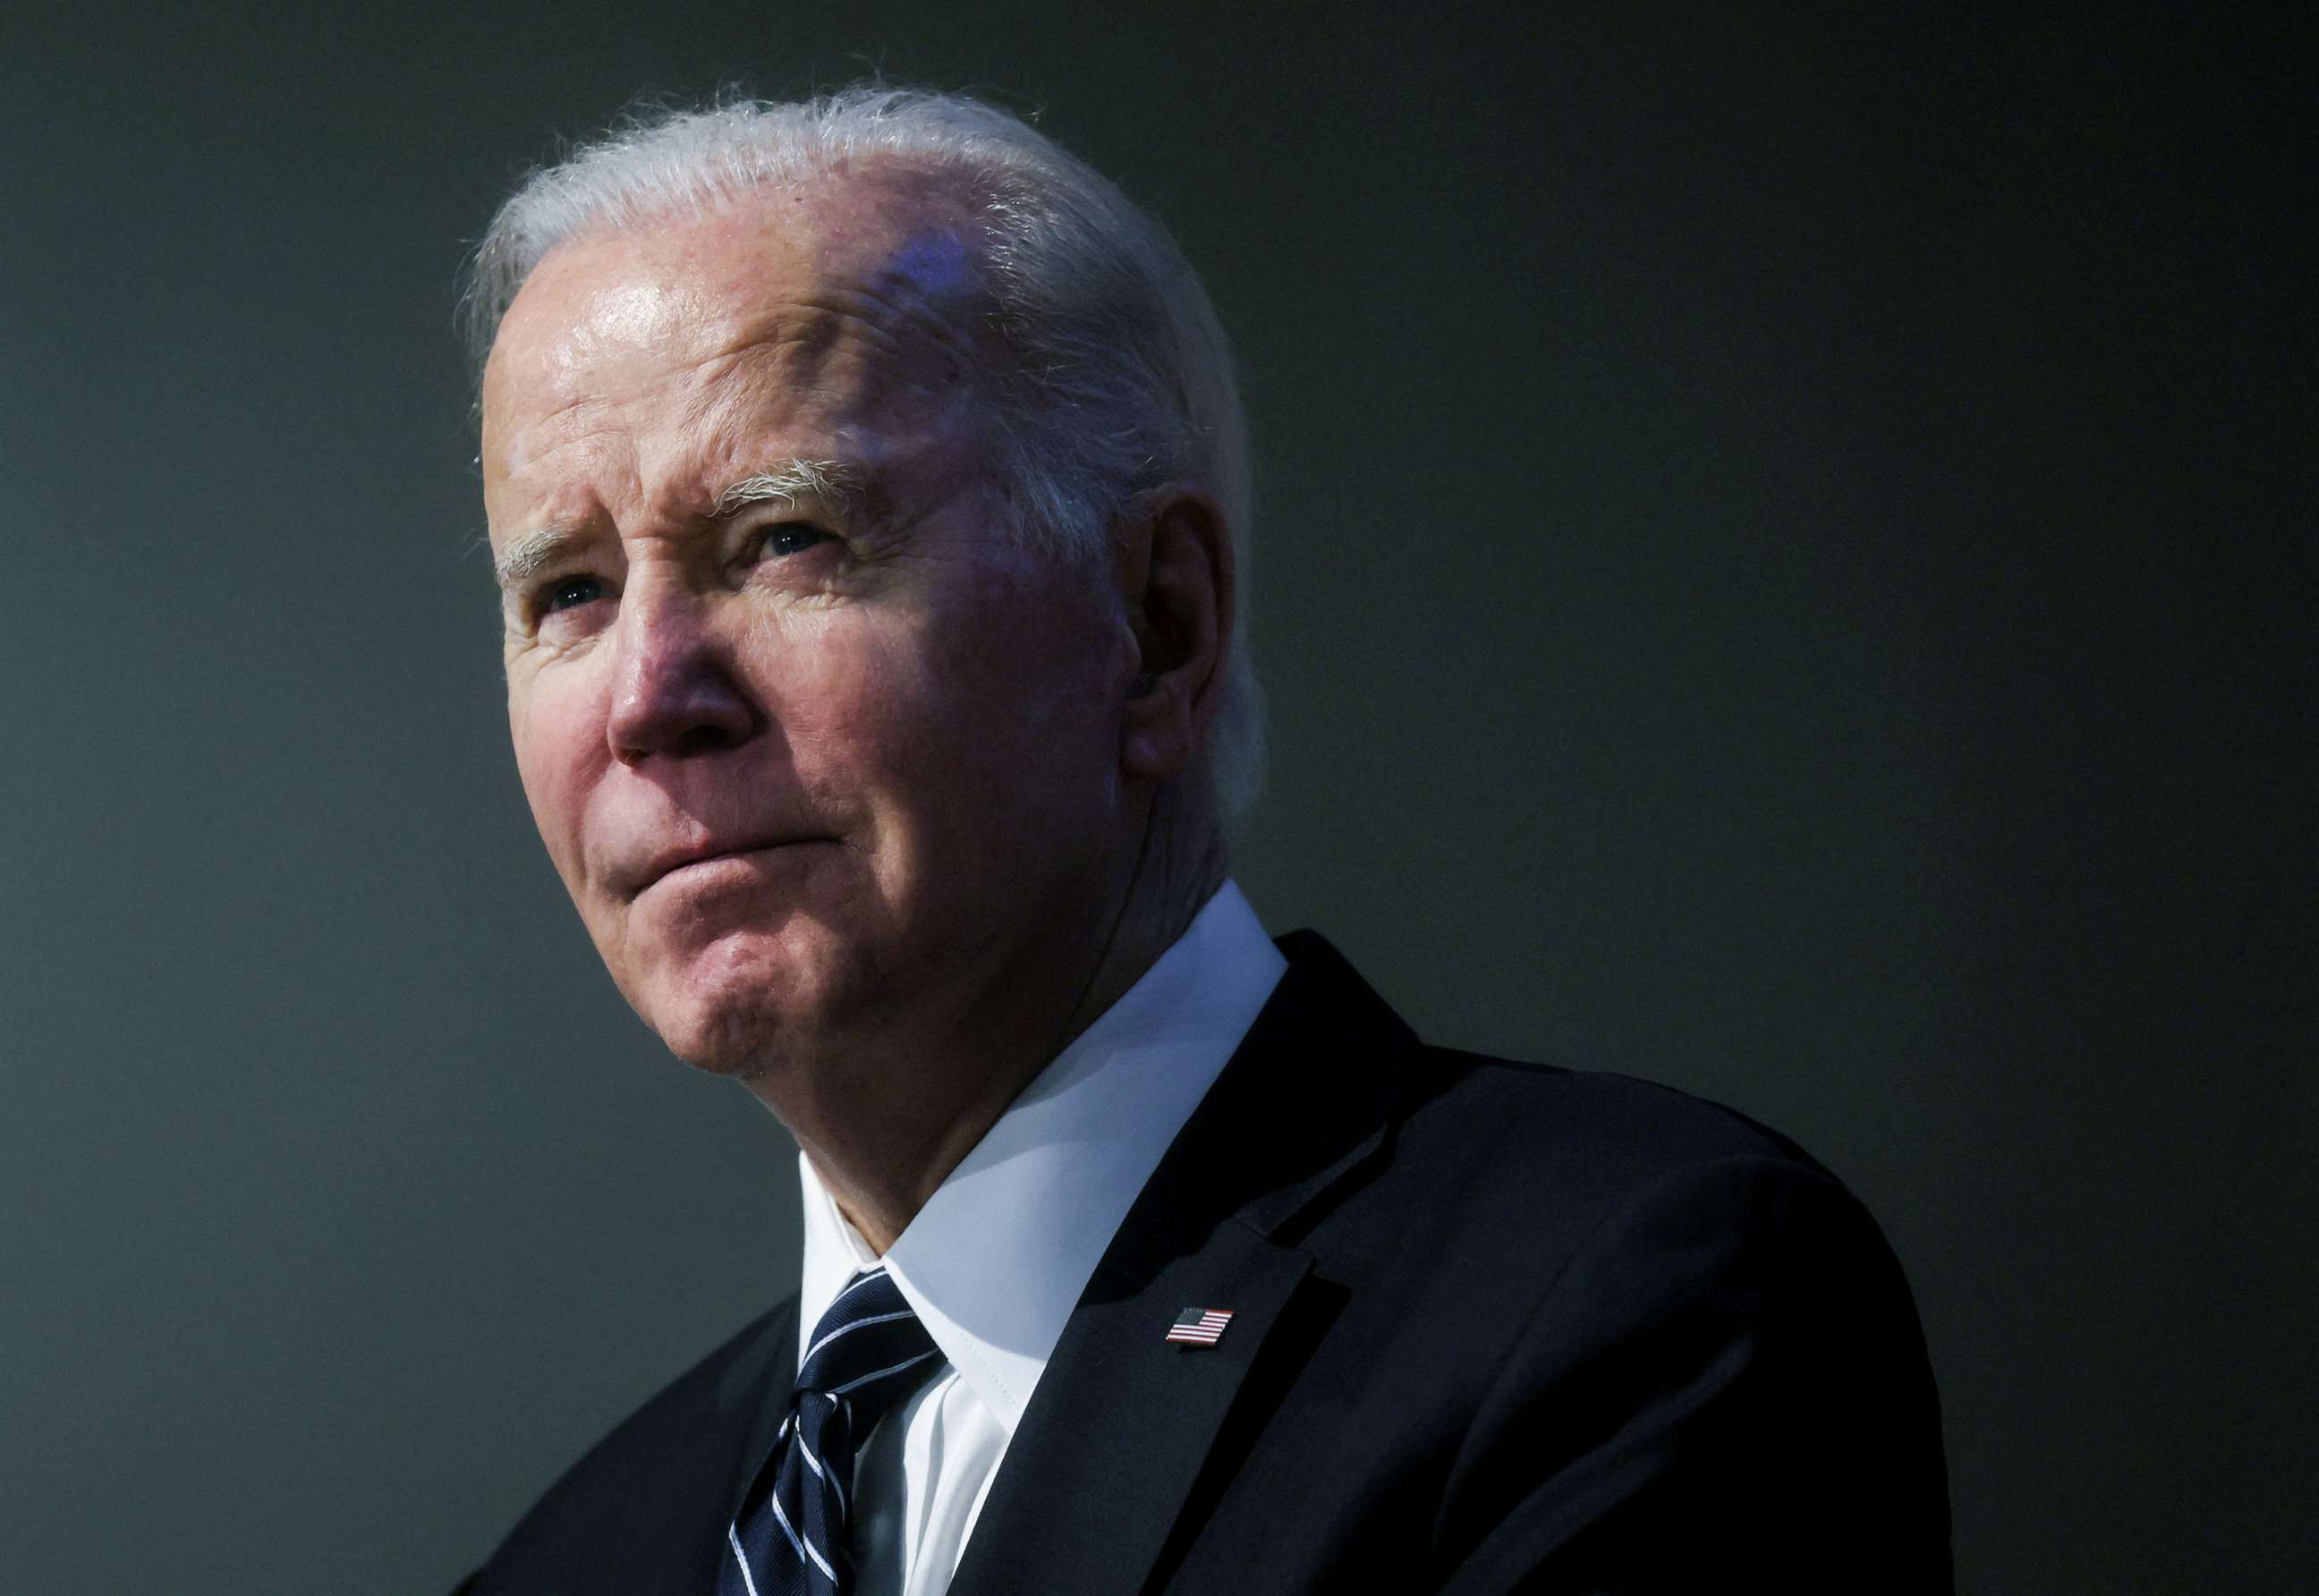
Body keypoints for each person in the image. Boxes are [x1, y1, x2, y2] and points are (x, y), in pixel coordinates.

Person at [452, 88, 1949, 1595]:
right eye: (568, 592)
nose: (650, 699)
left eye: (787, 538)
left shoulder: (1627, 1320)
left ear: (1157, 627)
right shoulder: (580, 1559)